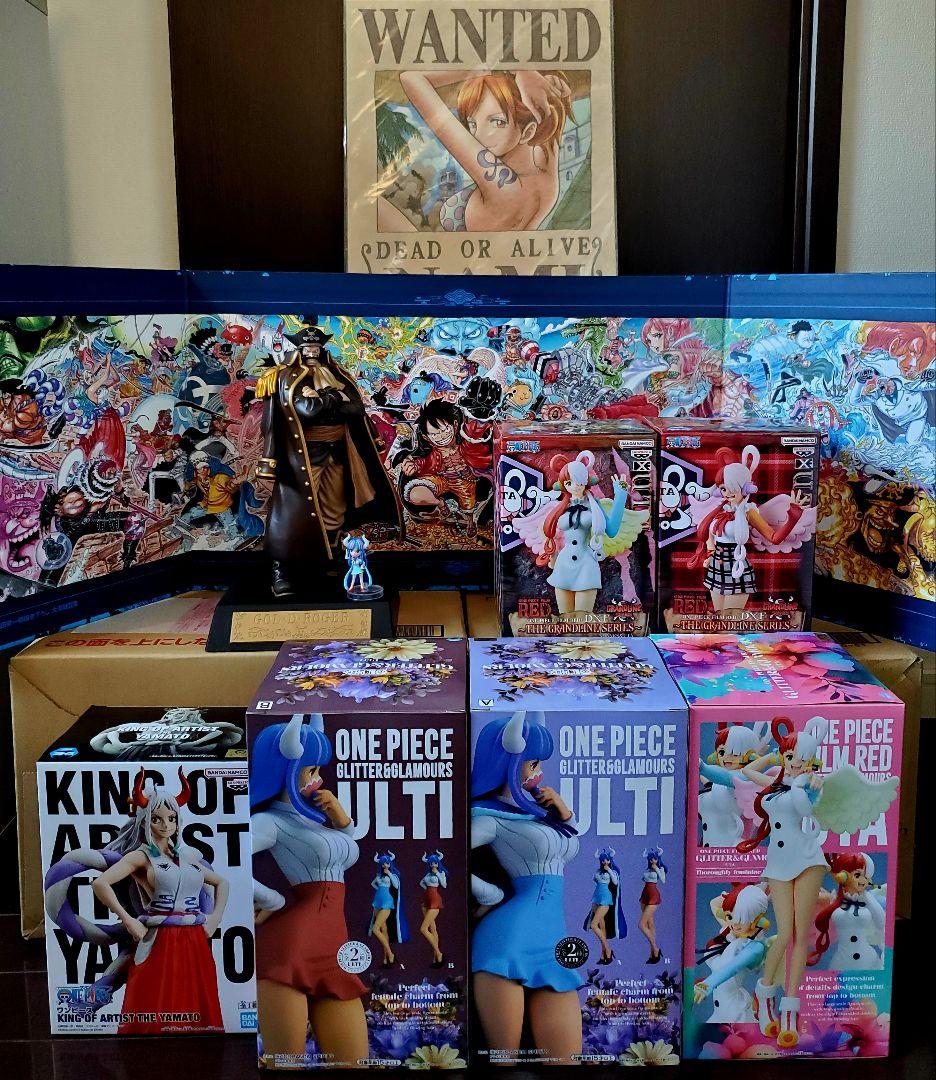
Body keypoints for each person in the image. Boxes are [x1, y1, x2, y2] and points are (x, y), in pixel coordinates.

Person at [44, 767, 226, 1034]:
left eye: (171, 818)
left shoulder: (188, 855)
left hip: (194, 938)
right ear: (144, 821)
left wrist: (214, 919)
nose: (165, 825)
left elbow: (222, 882)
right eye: (157, 819)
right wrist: (129, 921)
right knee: (154, 998)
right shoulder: (140, 856)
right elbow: (100, 883)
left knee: (195, 1001)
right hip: (159, 935)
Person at [254, 321, 404, 598]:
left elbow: (356, 409)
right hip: (300, 458)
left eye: (316, 347)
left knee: (335, 510)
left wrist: (323, 397)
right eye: (307, 347)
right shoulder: (282, 377)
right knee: (291, 516)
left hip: (337, 451)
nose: (312, 351)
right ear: (298, 349)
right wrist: (334, 398)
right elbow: (301, 412)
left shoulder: (338, 374)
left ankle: (329, 559)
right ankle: (281, 570)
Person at [250, 714, 368, 1064]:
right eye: (309, 770)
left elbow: (342, 856)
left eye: (318, 770)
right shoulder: (269, 821)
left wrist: (342, 821)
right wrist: (270, 899)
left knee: (355, 1062)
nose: (317, 779)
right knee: (286, 1063)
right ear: (285, 769)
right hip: (291, 946)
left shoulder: (313, 819)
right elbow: (226, 861)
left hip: (333, 945)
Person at [470, 711, 583, 1064]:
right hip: (507, 937)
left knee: (565, 1061)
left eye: (539, 763)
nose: (539, 772)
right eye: (532, 763)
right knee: (503, 1060)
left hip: (552, 938)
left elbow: (569, 846)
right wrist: (487, 893)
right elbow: (448, 856)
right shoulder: (490, 817)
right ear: (508, 762)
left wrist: (564, 814)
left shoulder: (537, 813)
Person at [397, 69, 572, 232]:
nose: (477, 136)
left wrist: (491, 68)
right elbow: (550, 108)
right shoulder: (546, 173)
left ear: (527, 132)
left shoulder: (503, 185)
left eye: (497, 122)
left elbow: (411, 79)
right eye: (472, 124)